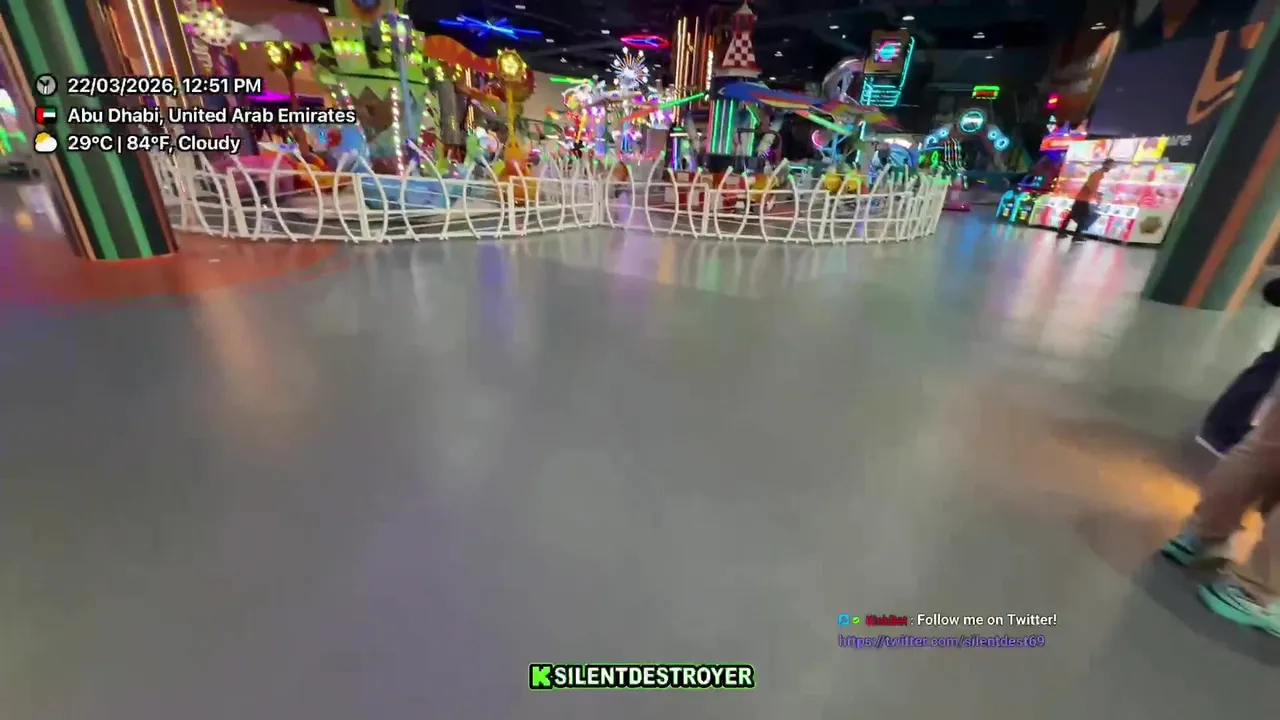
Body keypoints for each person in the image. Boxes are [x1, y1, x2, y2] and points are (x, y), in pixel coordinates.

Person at [1056, 157, 1114, 240]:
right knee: (1083, 216)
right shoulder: (1098, 174)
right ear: (1106, 165)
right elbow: (1091, 186)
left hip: (1082, 197)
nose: (1110, 168)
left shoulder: (1099, 173)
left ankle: (1063, 232)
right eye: (1111, 166)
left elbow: (1091, 186)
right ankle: (1076, 235)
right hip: (1083, 198)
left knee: (1073, 215)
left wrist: (1097, 194)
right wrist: (1097, 197)